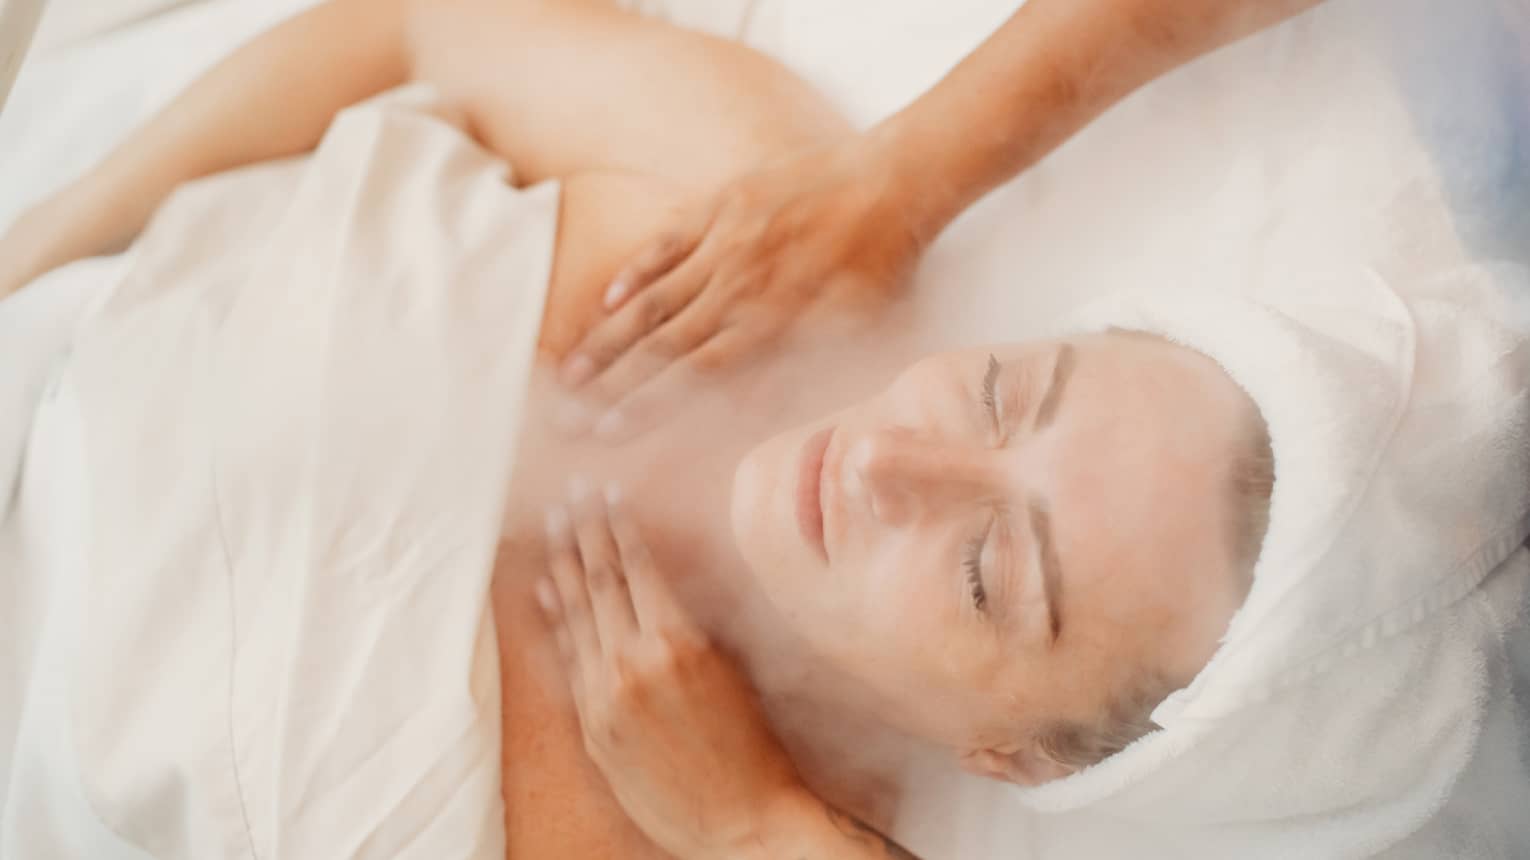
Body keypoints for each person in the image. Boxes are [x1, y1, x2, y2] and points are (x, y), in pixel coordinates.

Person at [0, 1, 1277, 858]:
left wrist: (757, 829)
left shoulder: (702, 830)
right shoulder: (756, 206)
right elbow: (410, 30)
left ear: (1005, 754)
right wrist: (35, 241)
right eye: (1003, 392)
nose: (890, 461)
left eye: (985, 573)